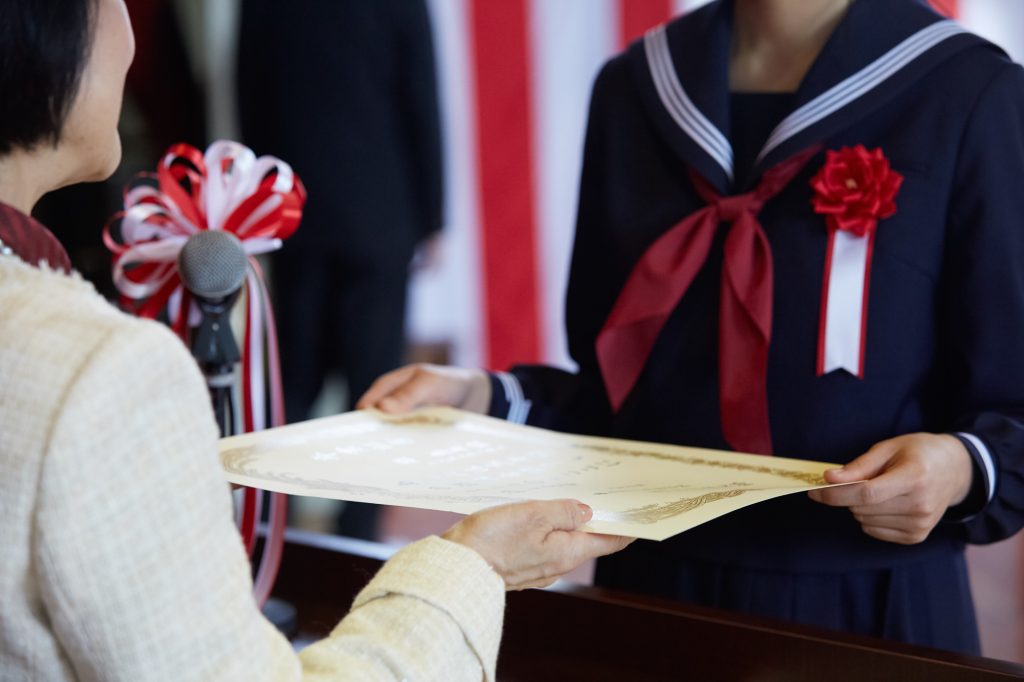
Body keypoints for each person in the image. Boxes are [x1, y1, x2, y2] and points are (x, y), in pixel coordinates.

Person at [360, 0, 1024, 655]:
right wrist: (478, 398)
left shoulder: (967, 91)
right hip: (652, 593)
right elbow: (617, 400)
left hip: (864, 600)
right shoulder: (637, 86)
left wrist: (961, 467)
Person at [0, 2, 630, 680]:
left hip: (316, 220)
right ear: (37, 31)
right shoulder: (99, 371)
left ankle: (315, 541)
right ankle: (318, 547)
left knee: (351, 395)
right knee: (343, 395)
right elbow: (419, 101)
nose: (129, 40)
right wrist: (471, 565)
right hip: (353, 220)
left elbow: (265, 96)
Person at [236, 0, 445, 540]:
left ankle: (276, 535)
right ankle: (356, 541)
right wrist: (432, 216)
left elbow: (250, 100)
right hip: (382, 217)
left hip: (297, 217)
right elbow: (422, 101)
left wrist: (258, 214)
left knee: (294, 388)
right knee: (377, 393)